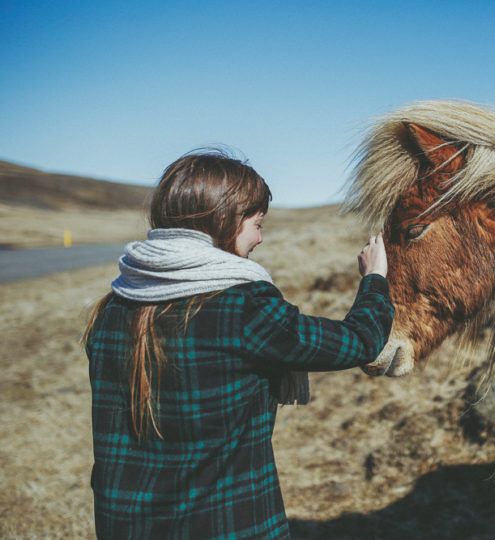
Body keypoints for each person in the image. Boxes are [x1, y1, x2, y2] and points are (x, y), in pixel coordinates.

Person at [84, 150, 394, 539]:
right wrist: (375, 278)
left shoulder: (113, 307)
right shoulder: (242, 307)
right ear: (223, 218)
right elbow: (359, 342)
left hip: (124, 524)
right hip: (224, 523)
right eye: (256, 224)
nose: (260, 238)